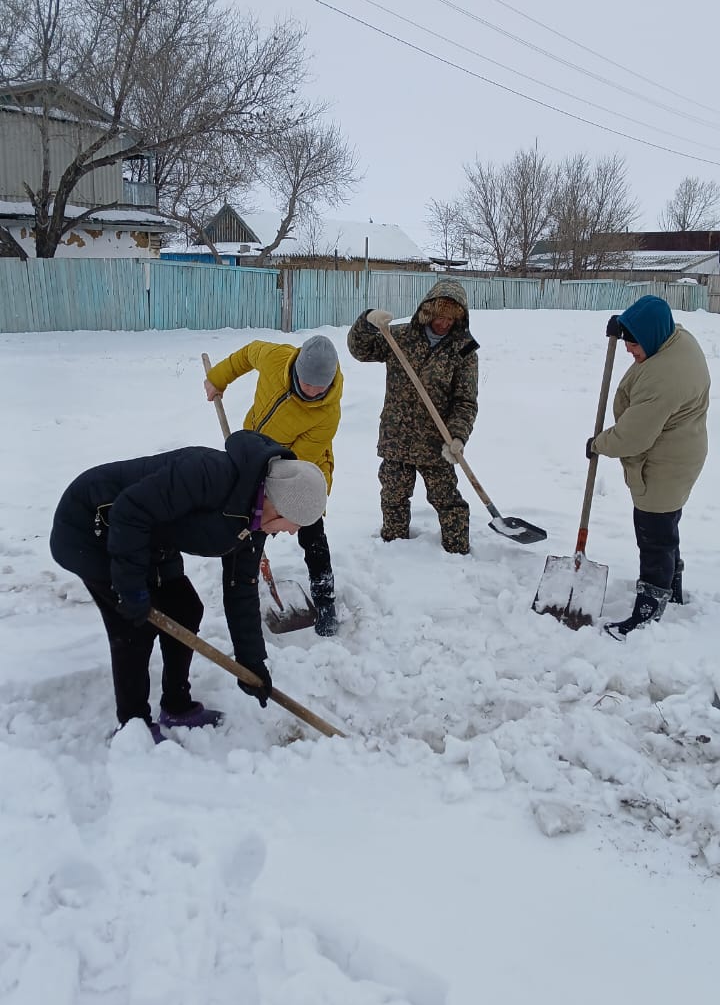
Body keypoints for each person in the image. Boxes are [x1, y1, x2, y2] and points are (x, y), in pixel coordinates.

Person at [49, 431, 328, 742]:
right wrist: (131, 589)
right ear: (279, 505)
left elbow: (241, 588)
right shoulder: (208, 473)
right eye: (295, 525)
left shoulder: (254, 522)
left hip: (149, 539)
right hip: (93, 525)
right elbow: (129, 511)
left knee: (185, 608)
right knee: (133, 625)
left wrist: (252, 662)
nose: (291, 533)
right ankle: (133, 725)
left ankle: (177, 705)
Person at [587, 295, 710, 640]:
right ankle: (673, 585)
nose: (628, 350)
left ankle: (649, 607)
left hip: (664, 463)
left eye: (634, 343)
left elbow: (632, 437)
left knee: (654, 533)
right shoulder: (675, 338)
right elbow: (649, 325)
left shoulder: (664, 380)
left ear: (652, 337)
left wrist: (598, 444)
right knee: (666, 526)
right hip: (680, 452)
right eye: (627, 341)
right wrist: (627, 324)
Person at [204, 335, 343, 637]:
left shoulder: (327, 414)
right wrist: (218, 378)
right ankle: (246, 585)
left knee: (311, 532)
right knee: (251, 527)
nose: (314, 393)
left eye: (321, 388)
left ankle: (325, 598)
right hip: (253, 454)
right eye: (308, 385)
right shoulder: (275, 358)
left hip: (304, 472)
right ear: (297, 371)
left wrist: (262, 495)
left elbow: (293, 469)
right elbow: (246, 354)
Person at [347, 280, 478, 554]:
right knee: (393, 497)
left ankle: (458, 554)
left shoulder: (463, 350)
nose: (443, 323)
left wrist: (456, 436)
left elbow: (465, 402)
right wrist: (368, 321)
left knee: (447, 499)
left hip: (437, 442)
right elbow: (361, 349)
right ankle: (394, 553)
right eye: (439, 316)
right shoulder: (400, 337)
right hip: (398, 437)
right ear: (427, 312)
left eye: (450, 318)